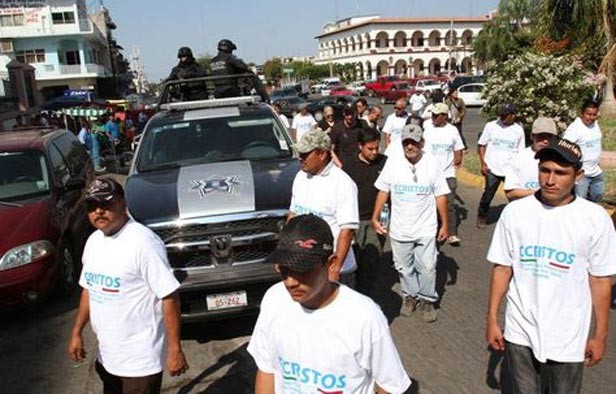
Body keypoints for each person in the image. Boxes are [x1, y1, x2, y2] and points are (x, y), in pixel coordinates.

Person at [485, 137, 616, 394]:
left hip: (568, 335)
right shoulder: (515, 213)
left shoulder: (595, 219)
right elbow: (502, 268)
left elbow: (600, 279)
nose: (550, 180)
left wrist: (600, 334)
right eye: (545, 170)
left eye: (560, 173)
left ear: (578, 175)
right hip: (520, 329)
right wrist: (492, 319)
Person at [247, 214, 412, 394]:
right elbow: (267, 368)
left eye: (302, 270)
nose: (290, 282)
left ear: (331, 263)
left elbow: (390, 385)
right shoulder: (274, 299)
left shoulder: (364, 316)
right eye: (284, 270)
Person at [67, 178, 188, 393]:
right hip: (108, 357)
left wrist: (174, 349)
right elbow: (89, 289)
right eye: (92, 207)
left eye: (106, 204)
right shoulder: (94, 241)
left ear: (123, 204)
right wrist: (77, 332)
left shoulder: (143, 243)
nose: (99, 211)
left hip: (139, 362)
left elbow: (169, 297)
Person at [372, 124, 450, 322]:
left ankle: (427, 299)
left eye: (414, 142)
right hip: (400, 228)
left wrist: (445, 224)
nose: (409, 146)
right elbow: (383, 191)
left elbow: (440, 195)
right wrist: (375, 216)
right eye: (406, 142)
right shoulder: (393, 164)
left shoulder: (432, 163)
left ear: (422, 143)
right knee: (404, 267)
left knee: (427, 266)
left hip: (426, 227)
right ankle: (409, 296)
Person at [289, 130, 359, 287]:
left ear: (322, 154)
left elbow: (347, 230)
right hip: (305, 266)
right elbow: (293, 216)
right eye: (299, 153)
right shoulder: (300, 177)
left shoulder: (343, 183)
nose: (300, 158)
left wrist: (335, 267)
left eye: (305, 154)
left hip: (333, 270)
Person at [342, 128, 387, 296]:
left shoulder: (385, 163)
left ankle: (367, 294)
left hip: (377, 221)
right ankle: (354, 294)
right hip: (355, 221)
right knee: (354, 259)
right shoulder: (349, 166)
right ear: (360, 146)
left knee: (372, 260)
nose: (375, 152)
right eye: (370, 149)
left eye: (377, 148)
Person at [477, 103, 525, 228]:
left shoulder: (518, 130)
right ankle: (482, 215)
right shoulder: (491, 126)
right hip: (493, 168)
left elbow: (521, 151)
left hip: (510, 170)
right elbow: (481, 145)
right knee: (488, 195)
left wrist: (519, 169)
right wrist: (483, 163)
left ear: (513, 116)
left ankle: (517, 220)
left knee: (514, 196)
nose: (502, 118)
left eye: (506, 115)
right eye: (501, 115)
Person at [423, 102, 464, 245]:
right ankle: (433, 231)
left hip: (447, 174)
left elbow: (458, 149)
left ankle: (452, 233)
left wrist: (457, 160)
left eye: (436, 115)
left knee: (449, 204)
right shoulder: (427, 128)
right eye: (432, 115)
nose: (433, 117)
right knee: (430, 205)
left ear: (444, 116)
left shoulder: (452, 130)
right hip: (429, 173)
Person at [504, 117, 557, 201]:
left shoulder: (559, 159)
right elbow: (510, 193)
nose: (546, 141)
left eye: (549, 137)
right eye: (541, 136)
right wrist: (541, 193)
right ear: (532, 136)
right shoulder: (518, 158)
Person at [563, 100, 604, 202]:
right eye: (588, 114)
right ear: (582, 113)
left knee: (597, 196)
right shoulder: (575, 128)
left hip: (596, 171)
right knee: (580, 202)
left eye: (594, 114)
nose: (591, 117)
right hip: (582, 174)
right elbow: (565, 147)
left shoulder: (595, 124)